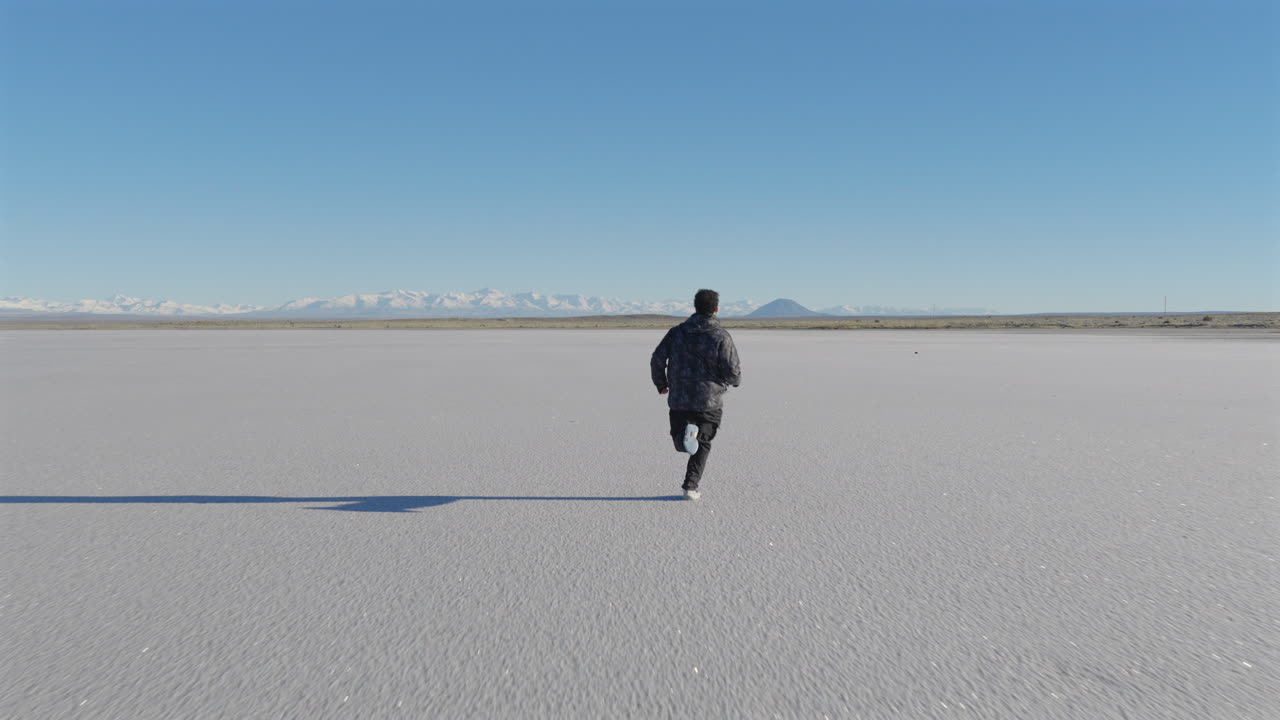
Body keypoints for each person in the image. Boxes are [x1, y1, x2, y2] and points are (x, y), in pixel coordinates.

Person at [650, 288, 742, 500]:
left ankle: (684, 440)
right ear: (716, 309)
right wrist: (734, 381)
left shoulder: (677, 332)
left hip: (680, 399)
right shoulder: (721, 336)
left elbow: (657, 358)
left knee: (682, 441)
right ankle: (690, 487)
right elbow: (733, 368)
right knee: (704, 442)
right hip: (709, 401)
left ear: (695, 307)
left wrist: (661, 383)